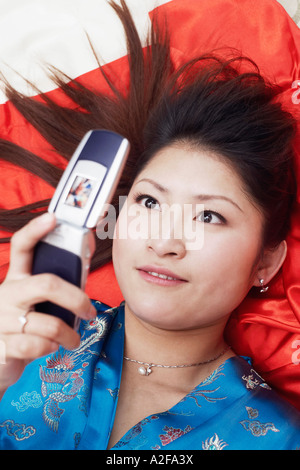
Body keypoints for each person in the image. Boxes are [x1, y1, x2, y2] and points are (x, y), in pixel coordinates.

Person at [0, 0, 300, 450]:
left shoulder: (278, 436)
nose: (164, 241)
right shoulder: (20, 342)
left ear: (267, 259)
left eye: (208, 215)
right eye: (148, 201)